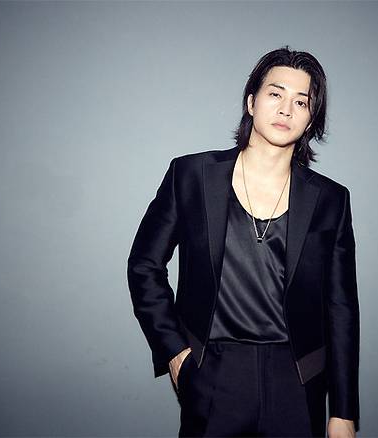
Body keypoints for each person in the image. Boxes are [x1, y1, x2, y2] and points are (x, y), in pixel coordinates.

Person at [127, 45, 359, 438]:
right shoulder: (191, 175)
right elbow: (144, 265)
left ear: (310, 120)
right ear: (251, 102)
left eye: (301, 102)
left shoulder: (331, 200)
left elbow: (341, 307)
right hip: (214, 373)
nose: (286, 109)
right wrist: (175, 353)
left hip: (296, 379)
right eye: (276, 94)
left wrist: (343, 411)